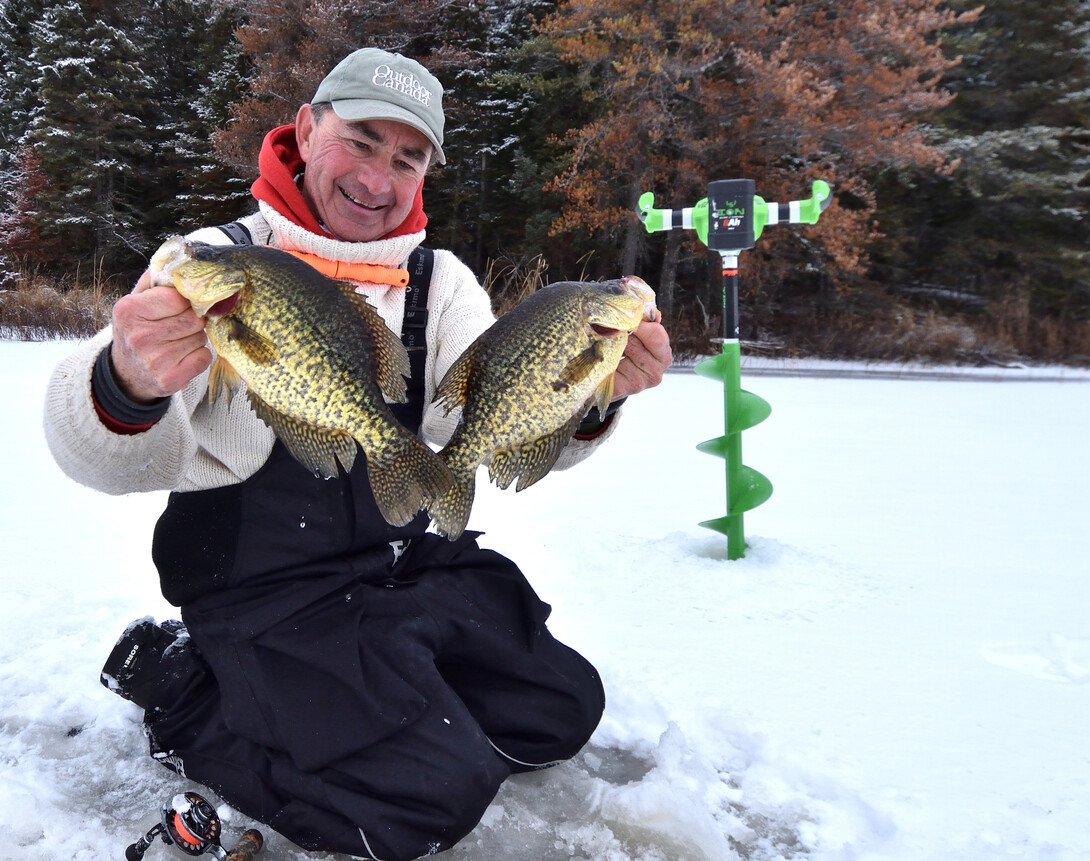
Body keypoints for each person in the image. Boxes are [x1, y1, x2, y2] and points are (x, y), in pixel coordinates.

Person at [43, 48, 672, 861]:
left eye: (406, 158)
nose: (379, 179)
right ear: (306, 130)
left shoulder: (440, 282)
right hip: (260, 593)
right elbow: (87, 452)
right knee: (421, 803)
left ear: (426, 176)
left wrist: (594, 394)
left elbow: (489, 417)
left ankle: (382, 696)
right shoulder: (209, 261)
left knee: (559, 708)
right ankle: (187, 691)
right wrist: (128, 378)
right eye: (361, 141)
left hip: (395, 568)